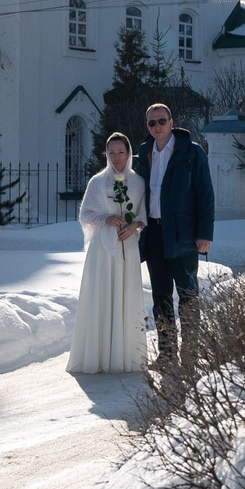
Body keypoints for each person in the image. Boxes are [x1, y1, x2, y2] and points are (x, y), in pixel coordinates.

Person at [138, 102, 215, 359]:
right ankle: (167, 354)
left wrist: (205, 233)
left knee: (188, 295)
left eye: (162, 121)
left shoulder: (191, 152)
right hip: (154, 234)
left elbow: (205, 195)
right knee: (160, 297)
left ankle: (190, 355)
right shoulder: (144, 153)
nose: (157, 126)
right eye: (152, 122)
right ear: (147, 126)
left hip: (184, 234)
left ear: (171, 123)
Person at [70, 132, 147, 373]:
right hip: (102, 251)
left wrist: (134, 226)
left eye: (121, 152)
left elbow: (143, 215)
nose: (116, 157)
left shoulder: (138, 182)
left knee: (126, 296)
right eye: (111, 153)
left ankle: (124, 355)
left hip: (128, 248)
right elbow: (85, 215)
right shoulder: (97, 182)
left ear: (129, 153)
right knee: (101, 295)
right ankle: (99, 355)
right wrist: (106, 218)